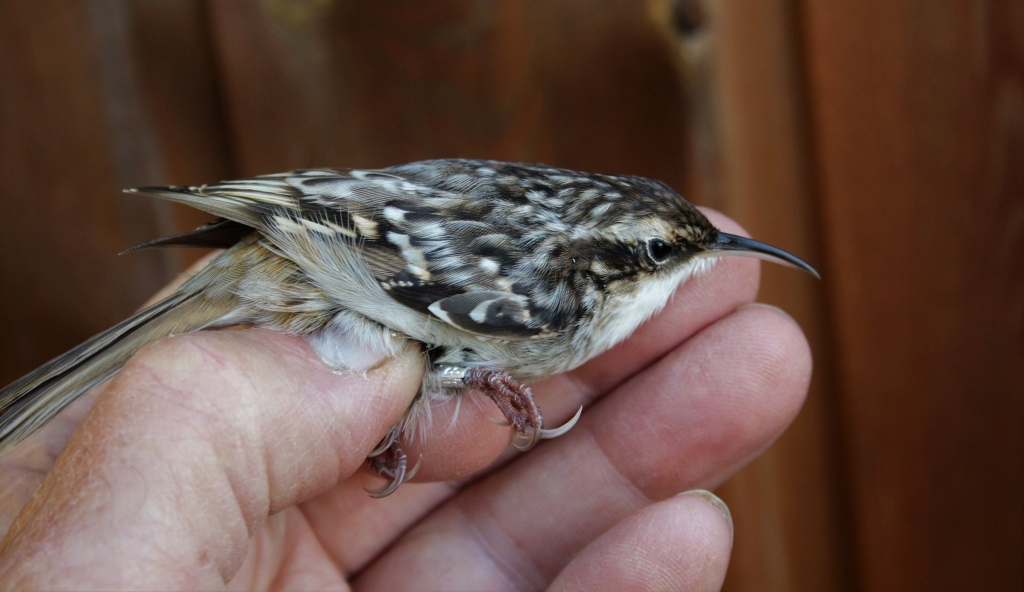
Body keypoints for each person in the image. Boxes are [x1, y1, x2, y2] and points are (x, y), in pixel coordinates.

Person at [0, 212, 811, 590]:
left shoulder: (567, 301)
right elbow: (389, 292)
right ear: (600, 265)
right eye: (662, 253)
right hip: (318, 271)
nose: (688, 263)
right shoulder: (548, 303)